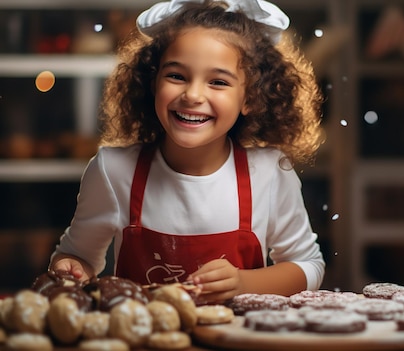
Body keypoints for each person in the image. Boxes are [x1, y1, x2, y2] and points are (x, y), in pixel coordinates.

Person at [49, 0, 325, 303]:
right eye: (176, 76)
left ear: (251, 99)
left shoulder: (269, 173)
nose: (192, 95)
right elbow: (78, 257)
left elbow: (309, 266)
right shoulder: (113, 170)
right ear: (152, 82)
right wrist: (72, 268)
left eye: (218, 82)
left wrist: (243, 283)